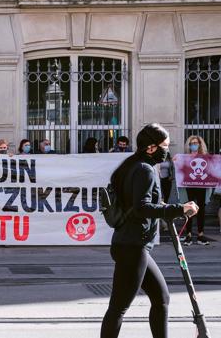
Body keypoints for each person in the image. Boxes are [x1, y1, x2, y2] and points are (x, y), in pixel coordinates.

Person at [100, 123, 199, 338]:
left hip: (131, 244)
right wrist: (179, 208)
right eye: (164, 145)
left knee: (161, 298)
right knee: (119, 307)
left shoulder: (132, 165)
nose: (167, 150)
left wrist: (170, 209)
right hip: (132, 246)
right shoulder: (144, 169)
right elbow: (141, 208)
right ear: (151, 148)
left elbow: (138, 205)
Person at [182, 135, 213, 246]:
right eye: (192, 143)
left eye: (196, 143)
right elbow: (181, 169)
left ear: (200, 144)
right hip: (189, 186)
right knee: (189, 209)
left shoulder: (205, 157)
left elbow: (211, 170)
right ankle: (188, 234)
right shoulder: (185, 157)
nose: (194, 145)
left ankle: (200, 234)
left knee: (201, 209)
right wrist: (176, 161)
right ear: (189, 145)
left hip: (201, 186)